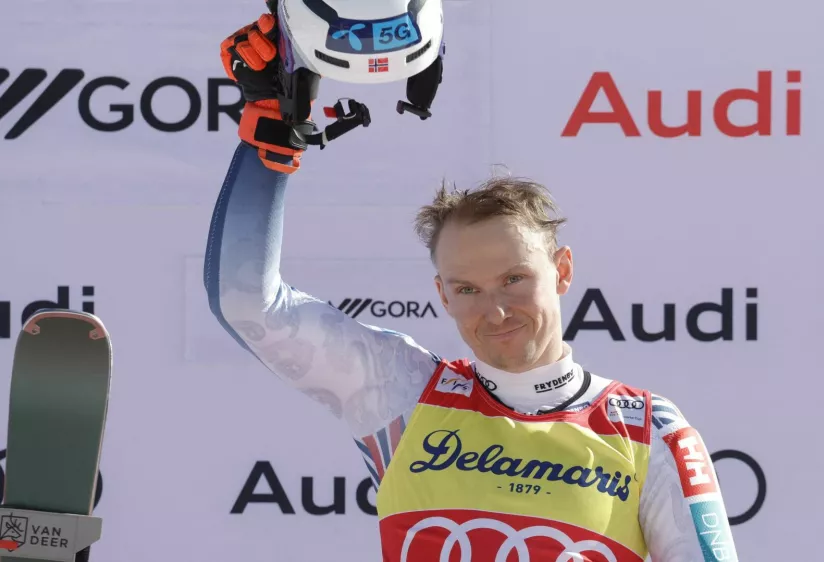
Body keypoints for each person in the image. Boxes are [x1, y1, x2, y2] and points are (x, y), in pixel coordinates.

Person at [204, 10, 741, 562]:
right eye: (467, 289)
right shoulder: (402, 392)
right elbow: (247, 304)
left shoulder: (650, 429)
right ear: (442, 295)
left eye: (514, 280)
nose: (496, 311)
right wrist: (272, 134)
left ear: (562, 271)